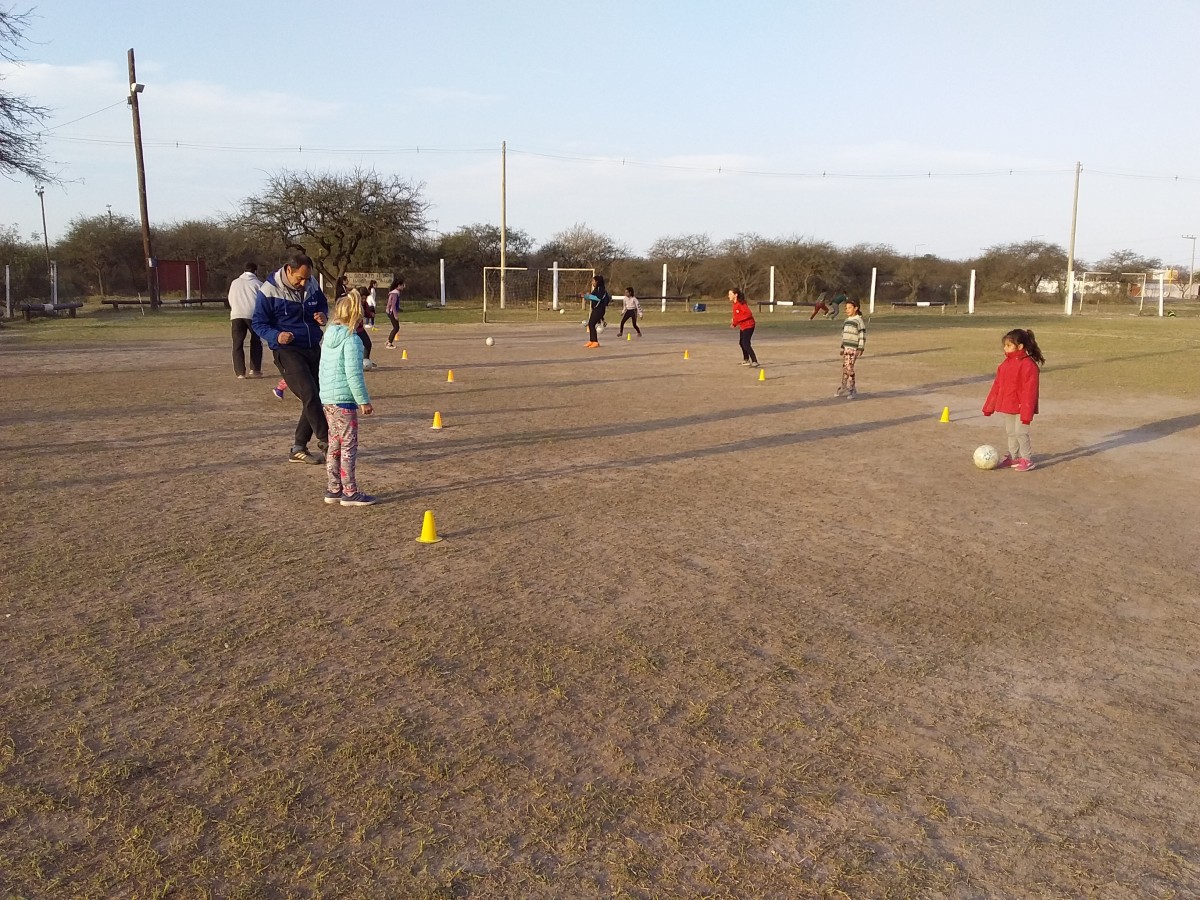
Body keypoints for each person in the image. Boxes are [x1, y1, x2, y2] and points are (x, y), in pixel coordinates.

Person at [252, 249, 330, 464]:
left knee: (317, 396)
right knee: (309, 393)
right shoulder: (269, 291)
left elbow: (323, 304)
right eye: (300, 278)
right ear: (289, 270)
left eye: (307, 278)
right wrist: (276, 336)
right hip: (287, 351)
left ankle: (298, 448)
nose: (304, 283)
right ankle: (327, 441)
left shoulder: (312, 284)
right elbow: (258, 323)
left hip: (313, 346)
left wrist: (323, 315)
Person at [319, 293, 376, 505]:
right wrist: (363, 400)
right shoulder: (352, 340)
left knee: (334, 443)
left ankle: (333, 488)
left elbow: (323, 368)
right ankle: (349, 491)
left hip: (328, 399)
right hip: (344, 401)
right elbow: (354, 374)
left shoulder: (329, 335)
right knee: (348, 446)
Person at [982, 327, 1044, 471]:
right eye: (1004, 345)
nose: (1005, 348)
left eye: (1008, 345)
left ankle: (1027, 459)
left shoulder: (1029, 366)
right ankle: (1014, 457)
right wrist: (989, 406)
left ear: (1020, 346)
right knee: (1010, 432)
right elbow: (997, 386)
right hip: (1008, 405)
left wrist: (1027, 413)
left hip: (1023, 407)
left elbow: (1030, 391)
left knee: (1021, 433)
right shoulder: (1005, 365)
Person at [227, 262, 263, 378]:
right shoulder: (258, 284)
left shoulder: (235, 282)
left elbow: (230, 298)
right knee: (256, 341)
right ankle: (255, 369)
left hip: (237, 314)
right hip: (253, 315)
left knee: (237, 344)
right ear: (255, 271)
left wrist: (235, 309)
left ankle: (240, 372)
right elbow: (262, 301)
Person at [836, 298, 866, 398]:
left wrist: (860, 348)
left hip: (853, 348)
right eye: (846, 308)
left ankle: (852, 389)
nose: (847, 310)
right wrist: (842, 347)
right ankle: (844, 387)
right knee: (845, 368)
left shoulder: (859, 320)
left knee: (850, 369)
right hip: (846, 348)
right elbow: (843, 334)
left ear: (856, 308)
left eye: (849, 308)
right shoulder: (846, 321)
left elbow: (862, 335)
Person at [729, 288, 758, 366]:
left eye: (730, 294)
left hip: (749, 325)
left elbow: (748, 314)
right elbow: (736, 316)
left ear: (736, 295)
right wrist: (734, 323)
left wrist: (737, 321)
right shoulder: (734, 304)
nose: (729, 296)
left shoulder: (741, 304)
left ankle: (755, 361)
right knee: (741, 343)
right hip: (743, 326)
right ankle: (746, 360)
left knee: (745, 343)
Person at [349, 288, 376, 370]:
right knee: (353, 347)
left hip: (360, 329)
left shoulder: (364, 304)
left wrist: (371, 314)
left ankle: (366, 361)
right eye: (362, 298)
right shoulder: (350, 304)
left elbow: (366, 313)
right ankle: (352, 364)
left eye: (365, 298)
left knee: (368, 344)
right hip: (351, 329)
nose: (364, 300)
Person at [582, 274, 611, 347]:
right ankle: (591, 340)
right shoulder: (596, 289)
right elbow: (593, 297)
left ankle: (595, 342)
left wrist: (587, 296)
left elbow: (598, 298)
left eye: (593, 281)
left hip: (599, 309)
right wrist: (586, 296)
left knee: (591, 324)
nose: (592, 282)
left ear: (597, 282)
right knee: (590, 324)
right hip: (596, 309)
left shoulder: (600, 289)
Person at [384, 276, 405, 349]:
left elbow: (394, 304)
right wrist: (395, 315)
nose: (404, 287)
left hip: (390, 311)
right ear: (399, 285)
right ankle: (389, 343)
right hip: (391, 312)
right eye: (403, 285)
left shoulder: (395, 292)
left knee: (395, 327)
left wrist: (399, 309)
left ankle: (388, 341)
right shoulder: (395, 293)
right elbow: (393, 305)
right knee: (396, 327)